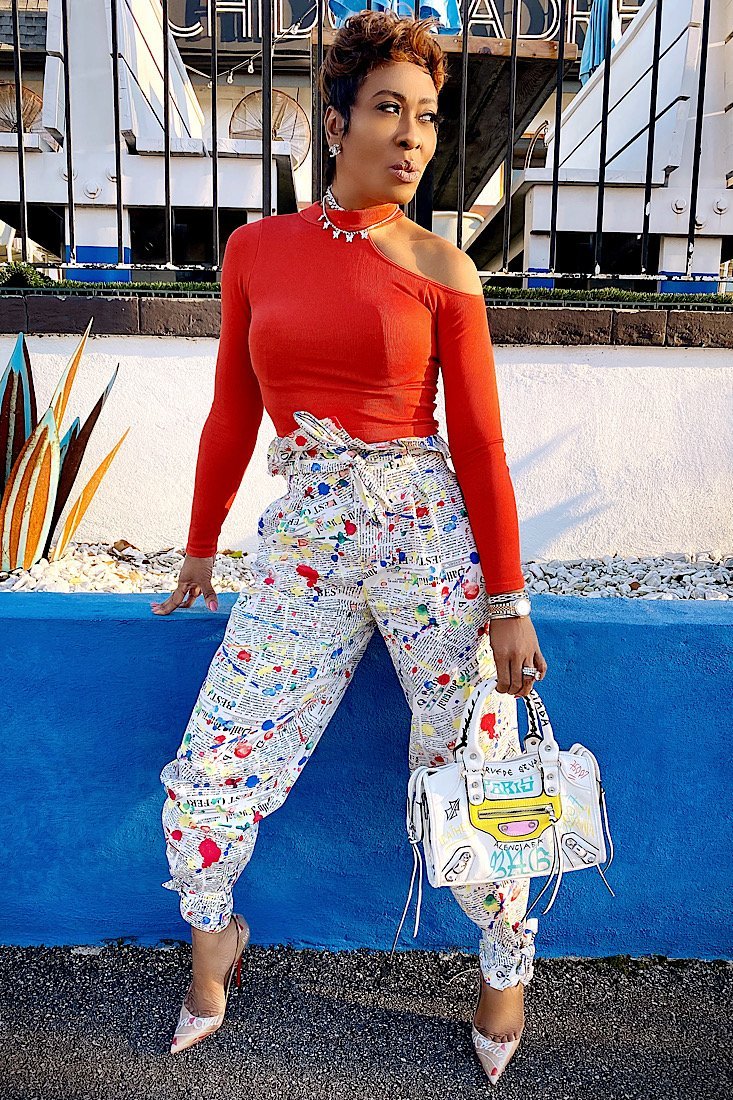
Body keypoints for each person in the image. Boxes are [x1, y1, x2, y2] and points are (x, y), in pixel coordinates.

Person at [152, 10, 548, 1083]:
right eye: (387, 109)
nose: (412, 136)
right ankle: (213, 941)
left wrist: (507, 599)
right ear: (335, 123)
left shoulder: (443, 266)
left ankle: (503, 966)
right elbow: (232, 408)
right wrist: (199, 548)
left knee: (474, 763)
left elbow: (480, 445)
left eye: (426, 116)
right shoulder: (255, 251)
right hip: (305, 541)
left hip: (429, 544)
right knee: (219, 756)